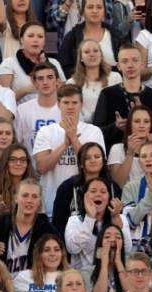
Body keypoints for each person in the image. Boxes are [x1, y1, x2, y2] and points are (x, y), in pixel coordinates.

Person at [33, 84, 106, 219]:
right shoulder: (46, 131)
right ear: (58, 104)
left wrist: (74, 139)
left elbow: (95, 167)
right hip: (51, 205)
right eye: (66, 102)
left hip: (85, 207)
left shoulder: (94, 131)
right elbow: (41, 167)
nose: (70, 107)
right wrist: (65, 145)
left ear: (81, 104)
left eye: (74, 102)